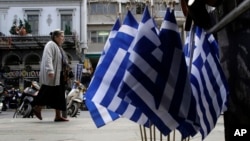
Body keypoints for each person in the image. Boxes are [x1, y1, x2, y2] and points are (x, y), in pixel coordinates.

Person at [33, 29, 69, 122]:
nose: (63, 38)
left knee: (60, 95)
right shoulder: (50, 44)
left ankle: (58, 116)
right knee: (46, 91)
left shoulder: (58, 47)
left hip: (59, 74)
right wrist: (50, 70)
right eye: (61, 36)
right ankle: (37, 108)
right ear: (55, 37)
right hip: (52, 74)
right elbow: (48, 58)